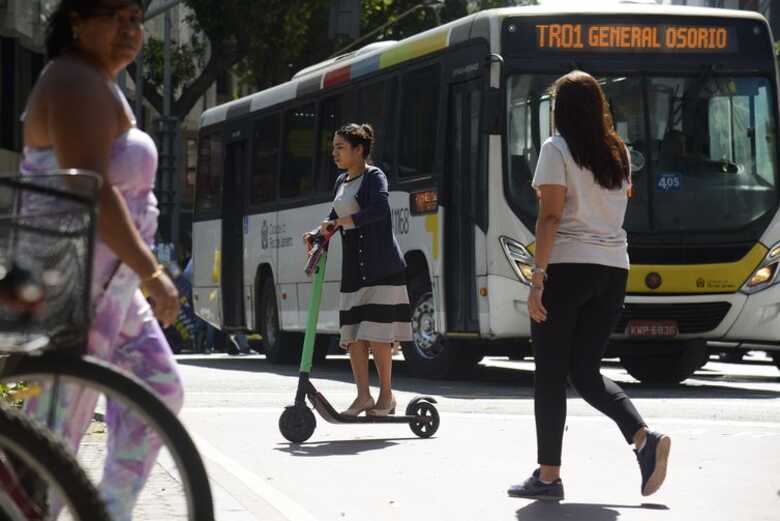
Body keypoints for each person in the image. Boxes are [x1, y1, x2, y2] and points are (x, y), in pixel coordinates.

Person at [19, 1, 183, 519]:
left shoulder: (99, 82)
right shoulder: (70, 78)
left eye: (136, 18)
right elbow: (92, 189)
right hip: (69, 282)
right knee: (51, 442)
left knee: (158, 389)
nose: (129, 30)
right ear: (77, 21)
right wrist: (153, 272)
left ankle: (105, 513)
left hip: (110, 287)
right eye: (115, 16)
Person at [508, 71, 670, 500]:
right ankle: (643, 438)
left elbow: (550, 218)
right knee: (584, 372)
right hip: (613, 270)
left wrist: (537, 279)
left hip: (568, 269)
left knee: (549, 375)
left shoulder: (556, 149)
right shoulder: (617, 152)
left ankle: (547, 476)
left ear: (559, 109)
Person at [303, 123, 412, 417]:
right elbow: (333, 217)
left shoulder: (374, 177)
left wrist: (339, 224)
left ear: (359, 150)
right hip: (354, 270)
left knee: (378, 335)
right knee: (354, 337)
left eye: (340, 147)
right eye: (334, 147)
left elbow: (378, 211)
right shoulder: (341, 181)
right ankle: (363, 396)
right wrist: (316, 233)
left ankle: (386, 398)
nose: (334, 153)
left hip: (382, 266)